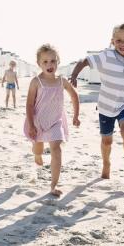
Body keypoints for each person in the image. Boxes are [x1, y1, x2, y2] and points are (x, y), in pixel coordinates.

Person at [69, 23, 124, 183]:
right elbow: (85, 61)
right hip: (106, 105)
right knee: (106, 140)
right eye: (118, 41)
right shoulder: (106, 56)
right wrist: (75, 74)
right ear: (112, 41)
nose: (122, 44)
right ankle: (106, 164)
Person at [25, 44, 80, 197]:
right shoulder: (36, 82)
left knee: (56, 149)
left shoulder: (62, 81)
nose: (50, 65)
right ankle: (37, 155)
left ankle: (53, 185)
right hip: (37, 121)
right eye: (45, 62)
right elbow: (29, 104)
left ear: (58, 62)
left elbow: (74, 96)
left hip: (56, 121)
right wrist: (31, 124)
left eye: (53, 61)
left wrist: (76, 115)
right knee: (38, 149)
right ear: (39, 64)